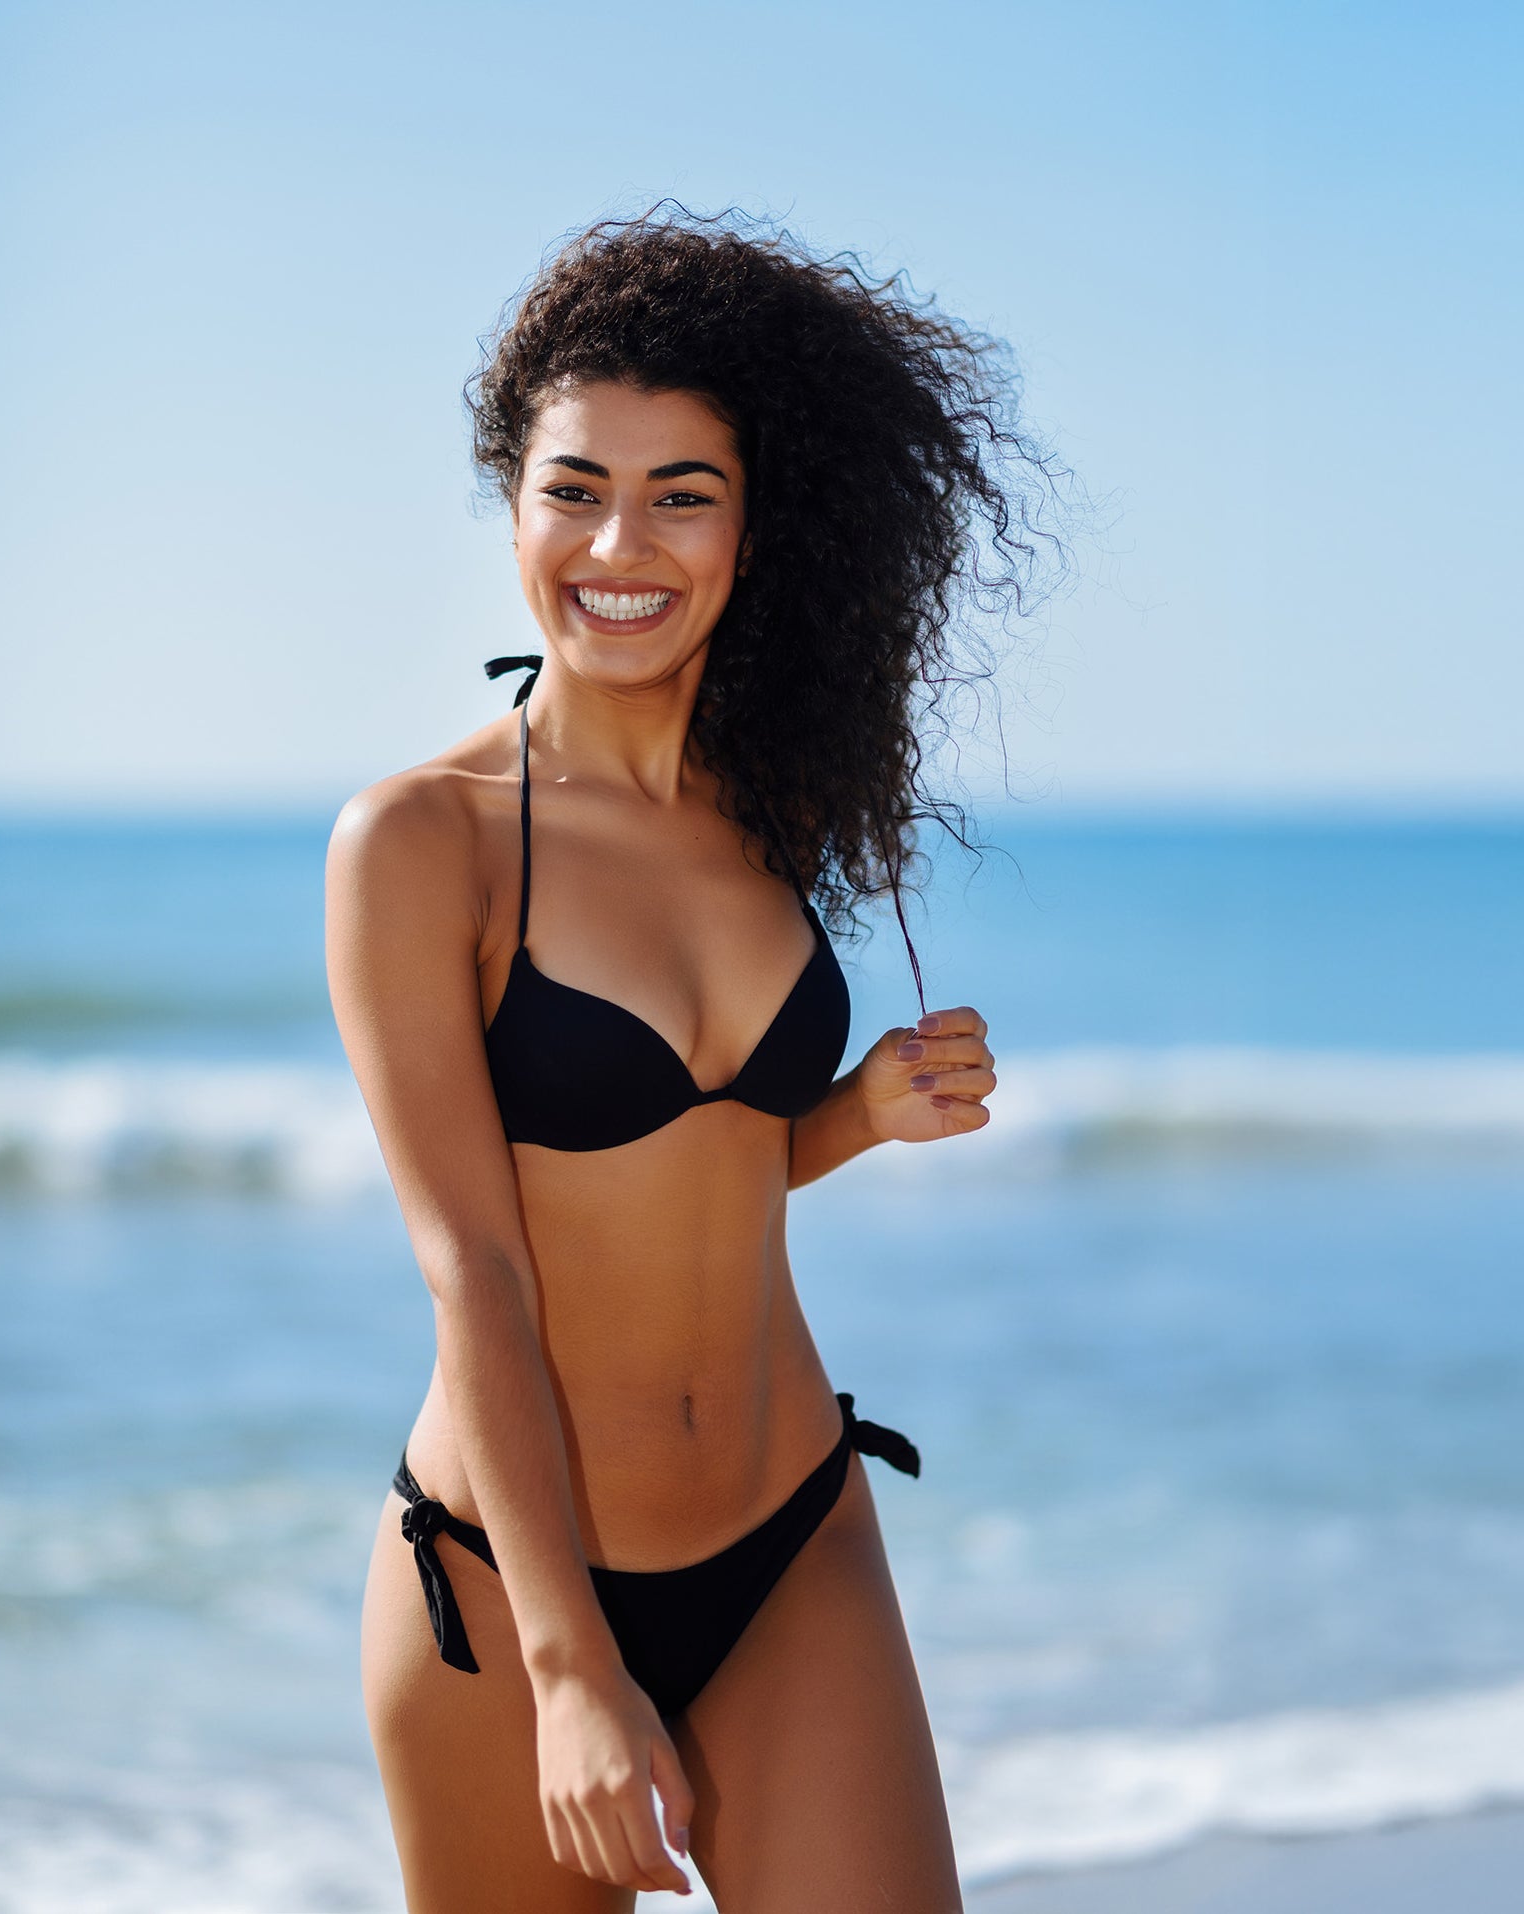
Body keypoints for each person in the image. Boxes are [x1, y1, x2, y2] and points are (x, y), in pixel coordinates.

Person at [330, 210, 1047, 1909]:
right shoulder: (422, 844)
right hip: (514, 1590)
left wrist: (851, 1114)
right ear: (513, 499)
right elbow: (480, 1267)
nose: (618, 543)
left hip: (793, 1532)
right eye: (574, 486)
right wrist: (574, 1664)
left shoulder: (776, 806)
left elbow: (694, 1169)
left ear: (752, 525)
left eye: (682, 492)